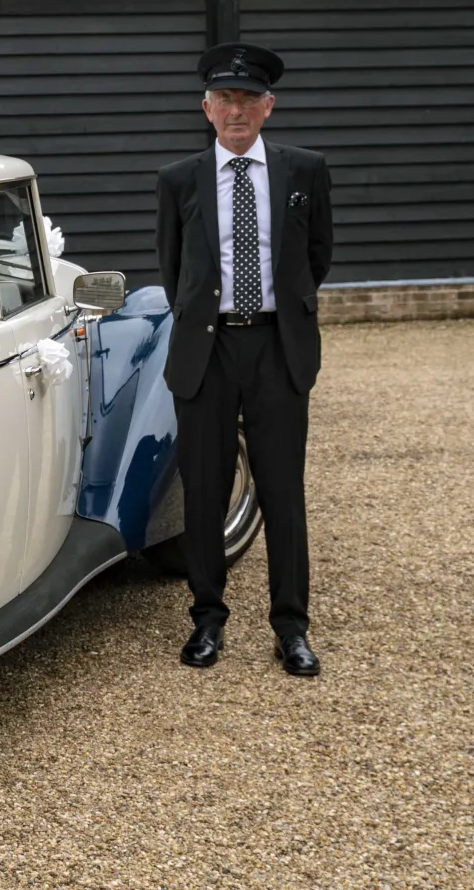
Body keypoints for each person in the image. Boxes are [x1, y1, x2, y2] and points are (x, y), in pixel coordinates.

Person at [155, 42, 333, 677]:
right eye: (225, 98)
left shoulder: (304, 171)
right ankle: (207, 619)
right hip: (208, 347)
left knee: (282, 490)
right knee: (204, 488)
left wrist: (281, 313)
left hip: (279, 349)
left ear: (268, 106)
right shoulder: (178, 180)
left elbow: (317, 257)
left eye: (248, 98)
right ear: (206, 108)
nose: (237, 109)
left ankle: (291, 627)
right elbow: (174, 271)